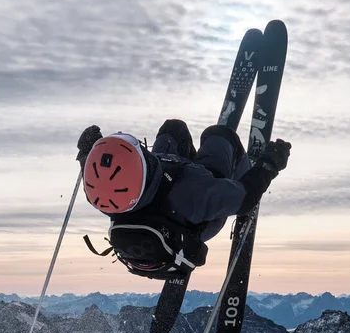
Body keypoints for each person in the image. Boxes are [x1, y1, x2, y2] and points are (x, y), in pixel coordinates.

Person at [74, 119, 291, 278]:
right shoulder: (194, 191)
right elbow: (245, 198)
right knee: (220, 135)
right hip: (198, 218)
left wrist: (88, 151)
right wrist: (269, 163)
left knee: (172, 129)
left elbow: (97, 175)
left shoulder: (106, 197)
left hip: (165, 199)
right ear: (139, 164)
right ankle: (240, 165)